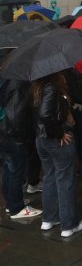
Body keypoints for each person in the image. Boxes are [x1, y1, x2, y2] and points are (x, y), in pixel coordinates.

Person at [33, 71, 82, 237]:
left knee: (50, 176)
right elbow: (46, 114)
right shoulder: (51, 88)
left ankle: (49, 218)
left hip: (41, 140)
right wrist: (59, 133)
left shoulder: (36, 89)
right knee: (65, 179)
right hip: (56, 140)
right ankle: (69, 224)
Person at [0, 76, 43, 219]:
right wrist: (22, 136)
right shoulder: (18, 83)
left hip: (5, 132)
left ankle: (11, 202)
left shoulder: (6, 80)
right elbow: (16, 113)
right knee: (16, 171)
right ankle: (16, 207)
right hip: (12, 134)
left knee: (9, 168)